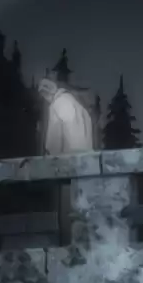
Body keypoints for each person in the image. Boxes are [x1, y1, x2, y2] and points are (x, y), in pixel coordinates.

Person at [37, 77, 95, 246]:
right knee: (82, 211)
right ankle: (83, 246)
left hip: (67, 165)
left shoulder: (57, 105)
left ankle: (67, 247)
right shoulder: (79, 107)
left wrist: (50, 156)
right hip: (86, 165)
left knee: (66, 212)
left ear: (46, 94)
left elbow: (53, 141)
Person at [38, 77, 94, 155]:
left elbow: (54, 138)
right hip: (85, 156)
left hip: (68, 156)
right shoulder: (78, 105)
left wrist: (51, 153)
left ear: (45, 94)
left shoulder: (57, 104)